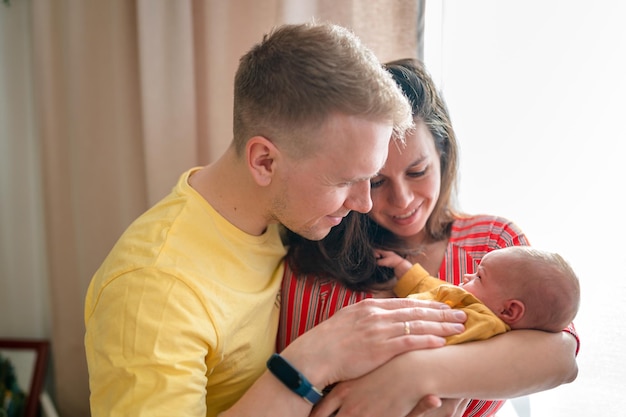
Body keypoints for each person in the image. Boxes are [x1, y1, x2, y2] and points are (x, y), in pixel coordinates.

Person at [83, 23, 469, 417]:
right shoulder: (154, 290)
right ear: (264, 161)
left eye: (368, 179)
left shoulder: (281, 218)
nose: (365, 204)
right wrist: (312, 360)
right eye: (346, 181)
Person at [279, 58, 579, 417]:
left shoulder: (495, 244)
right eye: (376, 181)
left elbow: (562, 357)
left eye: (418, 171)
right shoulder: (316, 249)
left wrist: (413, 375)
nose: (402, 200)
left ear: (443, 154)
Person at [377, 245, 580, 343]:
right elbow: (433, 288)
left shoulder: (482, 326)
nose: (467, 276)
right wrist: (403, 268)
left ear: (509, 310)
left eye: (480, 277)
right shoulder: (470, 307)